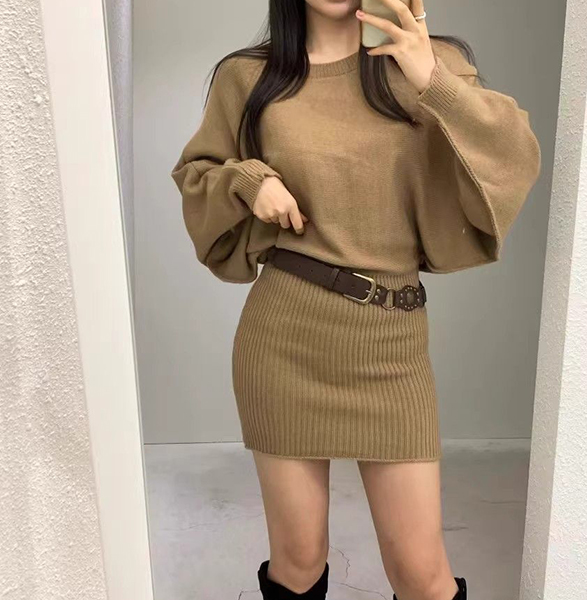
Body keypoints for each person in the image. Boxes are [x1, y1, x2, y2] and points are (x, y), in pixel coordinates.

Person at [170, 0, 541, 598]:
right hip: (286, 336)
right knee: (298, 561)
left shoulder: (429, 62)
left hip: (393, 344)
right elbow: (198, 174)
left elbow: (514, 156)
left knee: (422, 576)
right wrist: (247, 180)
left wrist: (432, 78)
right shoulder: (249, 75)